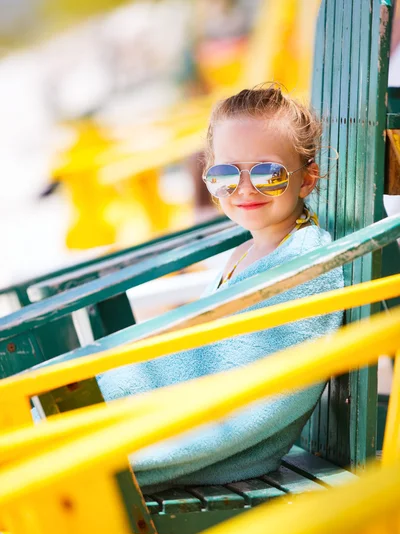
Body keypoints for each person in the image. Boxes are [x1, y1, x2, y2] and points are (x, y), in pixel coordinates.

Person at [97, 85, 344, 491]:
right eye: (226, 175)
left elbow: (265, 378)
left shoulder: (304, 262)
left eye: (267, 174)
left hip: (219, 435)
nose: (244, 189)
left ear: (307, 179)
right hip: (181, 405)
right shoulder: (243, 253)